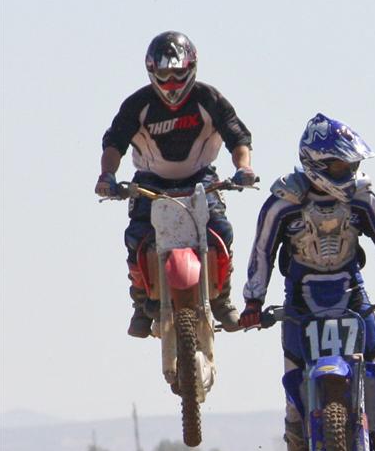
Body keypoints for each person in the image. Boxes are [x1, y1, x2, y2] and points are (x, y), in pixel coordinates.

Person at [239, 113, 375, 451]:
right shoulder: (283, 202)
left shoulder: (362, 199)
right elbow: (262, 251)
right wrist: (253, 301)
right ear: (316, 163)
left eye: (351, 164)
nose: (348, 172)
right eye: (340, 165)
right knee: (294, 383)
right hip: (300, 302)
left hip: (352, 296)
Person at [95, 31, 257, 338]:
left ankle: (222, 298)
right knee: (136, 236)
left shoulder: (209, 99)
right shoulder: (138, 104)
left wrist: (244, 168)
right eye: (164, 76)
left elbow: (238, 137)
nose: (171, 84)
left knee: (221, 230)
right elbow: (114, 144)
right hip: (150, 181)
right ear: (151, 71)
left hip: (201, 178)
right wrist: (107, 176)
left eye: (177, 74)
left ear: (191, 68)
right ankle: (140, 303)